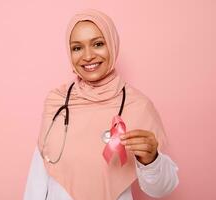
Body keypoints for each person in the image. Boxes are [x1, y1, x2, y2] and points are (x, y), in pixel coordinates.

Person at [24, 9, 179, 200]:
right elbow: (38, 175)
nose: (88, 56)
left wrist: (151, 161)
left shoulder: (138, 105)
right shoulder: (57, 101)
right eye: (77, 48)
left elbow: (161, 189)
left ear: (112, 45)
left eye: (98, 44)